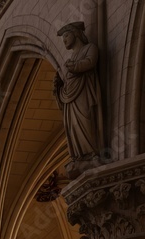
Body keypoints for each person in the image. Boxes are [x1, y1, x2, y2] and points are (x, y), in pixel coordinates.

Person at [52, 21, 103, 174]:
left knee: (86, 121)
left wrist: (74, 67)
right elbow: (68, 84)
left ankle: (92, 153)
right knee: (73, 127)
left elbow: (90, 62)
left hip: (83, 95)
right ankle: (80, 156)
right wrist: (58, 88)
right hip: (70, 100)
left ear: (76, 34)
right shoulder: (71, 58)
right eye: (63, 38)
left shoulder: (89, 48)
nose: (65, 40)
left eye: (66, 35)